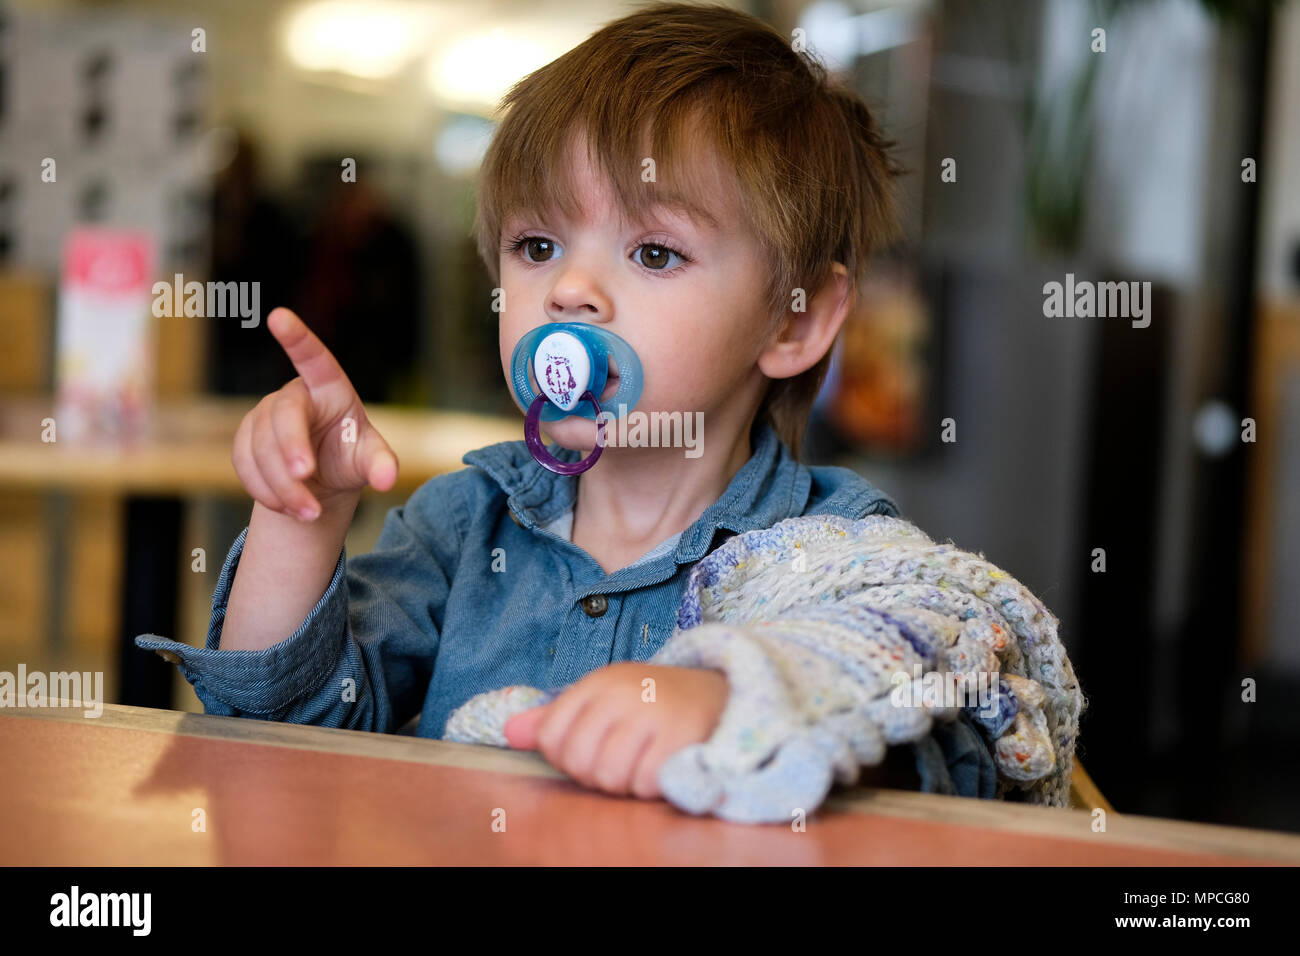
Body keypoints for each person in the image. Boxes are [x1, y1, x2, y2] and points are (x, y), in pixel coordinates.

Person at [137, 3, 1081, 822]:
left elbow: (963, 670)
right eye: (537, 243)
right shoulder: (462, 530)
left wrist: (734, 700)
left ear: (799, 320)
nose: (572, 289)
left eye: (656, 254)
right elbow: (275, 742)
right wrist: (301, 517)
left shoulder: (829, 552)